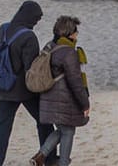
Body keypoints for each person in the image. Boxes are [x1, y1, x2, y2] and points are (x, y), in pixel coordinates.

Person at [0, 2, 52, 166]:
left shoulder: (4, 29)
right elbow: (31, 69)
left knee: (2, 127)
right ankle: (49, 158)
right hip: (25, 90)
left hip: (5, 86)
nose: (36, 23)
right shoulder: (29, 37)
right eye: (36, 19)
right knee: (44, 121)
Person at [36, 15, 90, 166]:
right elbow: (76, 82)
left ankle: (40, 156)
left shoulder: (49, 46)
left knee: (62, 130)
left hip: (48, 98)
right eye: (75, 32)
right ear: (69, 34)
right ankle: (62, 162)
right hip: (64, 101)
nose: (77, 35)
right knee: (68, 131)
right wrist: (85, 103)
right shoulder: (69, 53)